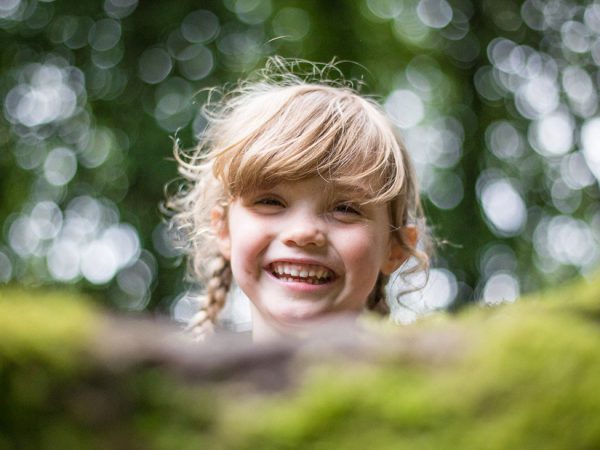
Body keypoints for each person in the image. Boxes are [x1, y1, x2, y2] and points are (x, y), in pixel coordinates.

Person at [166, 58, 430, 341]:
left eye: (345, 209)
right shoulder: (168, 383)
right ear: (224, 230)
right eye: (270, 202)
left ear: (394, 250)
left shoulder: (441, 382)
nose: (303, 233)